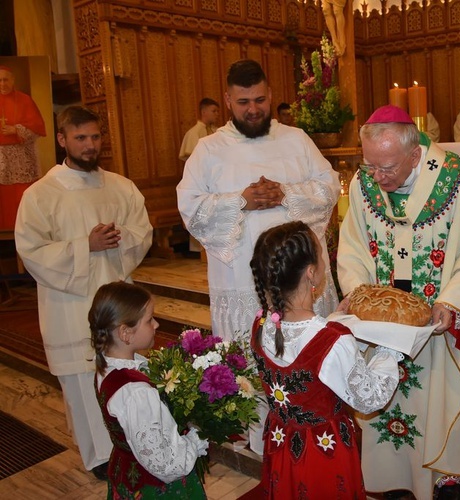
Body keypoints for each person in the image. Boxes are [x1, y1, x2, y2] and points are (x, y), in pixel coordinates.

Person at [336, 104, 460, 499]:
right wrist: (357, 292)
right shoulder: (363, 183)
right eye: (371, 167)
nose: (378, 178)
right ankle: (394, 481)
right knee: (387, 405)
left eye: (388, 168)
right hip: (383, 326)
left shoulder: (455, 178)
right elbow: (351, 247)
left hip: (439, 327)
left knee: (441, 402)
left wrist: (451, 301)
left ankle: (447, 481)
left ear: (415, 153)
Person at [176, 59, 340, 455]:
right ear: (228, 100)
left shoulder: (297, 139)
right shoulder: (209, 149)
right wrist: (241, 201)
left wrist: (288, 194)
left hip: (300, 278)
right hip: (241, 279)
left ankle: (321, 424)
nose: (254, 109)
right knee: (257, 361)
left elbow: (329, 187)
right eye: (244, 101)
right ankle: (265, 438)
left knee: (308, 361)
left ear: (271, 95)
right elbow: (189, 207)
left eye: (261, 100)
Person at [14, 105, 153, 480]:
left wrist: (118, 239)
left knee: (120, 373)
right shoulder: (41, 194)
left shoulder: (120, 186)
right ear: (62, 139)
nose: (90, 145)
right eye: (80, 138)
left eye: (95, 137)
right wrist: (84, 246)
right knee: (81, 381)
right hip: (69, 304)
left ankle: (133, 447)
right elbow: (31, 250)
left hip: (115, 299)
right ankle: (99, 458)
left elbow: (142, 231)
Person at [241, 220, 400, 498]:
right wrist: (389, 349)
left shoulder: (261, 323)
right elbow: (370, 398)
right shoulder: (333, 341)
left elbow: (300, 345)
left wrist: (331, 322)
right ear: (312, 273)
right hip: (322, 453)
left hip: (281, 443)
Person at [89, 281, 208, 499]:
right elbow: (166, 465)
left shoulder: (108, 368)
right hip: (154, 488)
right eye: (149, 320)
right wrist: (196, 437)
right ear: (125, 332)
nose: (156, 325)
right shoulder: (136, 392)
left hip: (126, 470)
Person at [0, 65, 47, 229]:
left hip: (21, 158)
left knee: (22, 199)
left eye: (5, 79)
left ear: (12, 80)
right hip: (1, 160)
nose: (2, 83)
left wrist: (16, 129)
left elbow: (38, 129)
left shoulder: (24, 100)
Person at [178, 97, 220, 161]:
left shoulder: (218, 131)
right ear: (203, 112)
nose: (217, 114)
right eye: (214, 111)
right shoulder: (193, 133)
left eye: (217, 111)